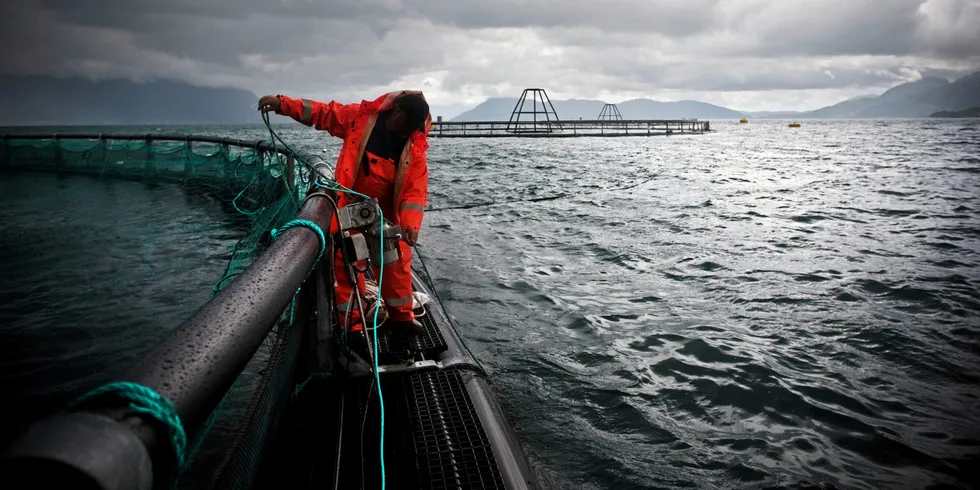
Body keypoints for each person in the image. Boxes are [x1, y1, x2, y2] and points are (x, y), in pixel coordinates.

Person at [258, 90, 430, 338]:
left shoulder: (415, 147)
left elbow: (415, 192)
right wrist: (282, 104)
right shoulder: (359, 118)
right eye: (407, 124)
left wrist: (411, 225)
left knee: (396, 262)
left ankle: (402, 318)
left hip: (386, 216)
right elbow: (322, 113)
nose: (409, 131)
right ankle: (353, 327)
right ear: (396, 112)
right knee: (347, 262)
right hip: (349, 205)